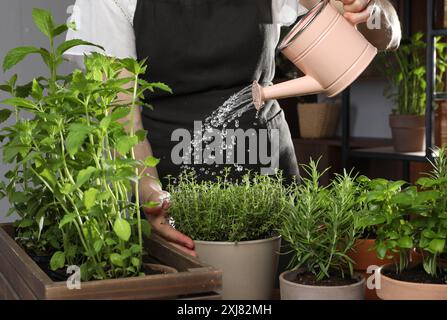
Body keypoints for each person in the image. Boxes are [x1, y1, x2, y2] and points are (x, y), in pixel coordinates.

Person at [66, 0, 401, 257]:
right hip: (173, 189)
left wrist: (371, 11)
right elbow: (121, 115)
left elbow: (386, 35)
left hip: (273, 181)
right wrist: (151, 196)